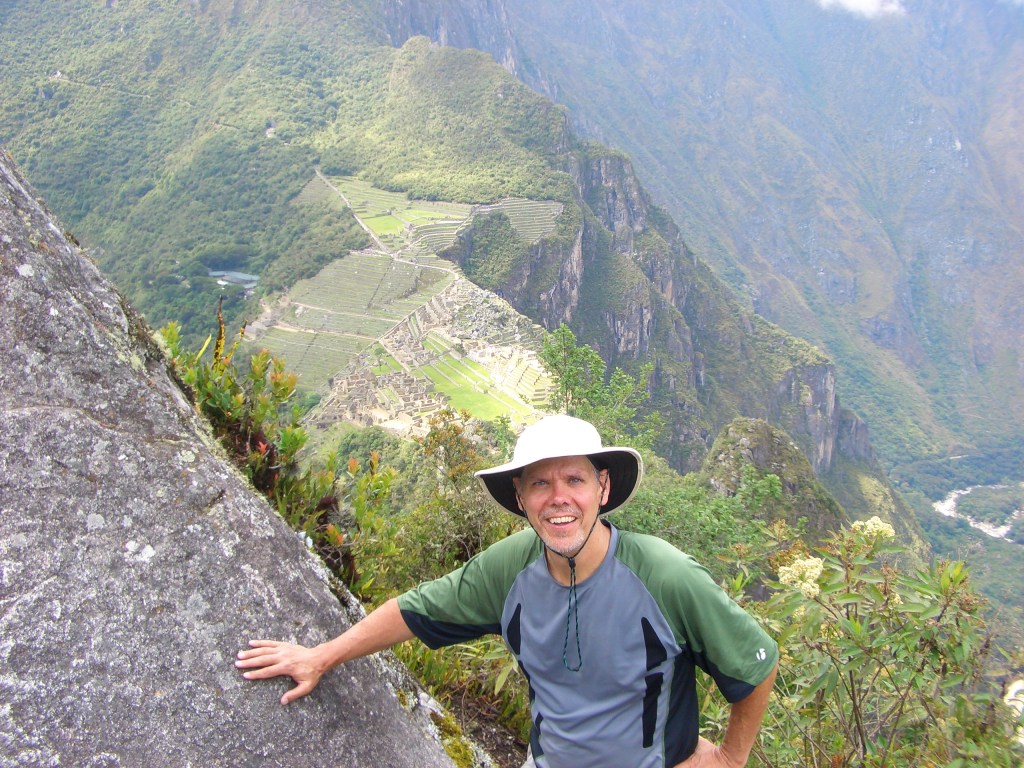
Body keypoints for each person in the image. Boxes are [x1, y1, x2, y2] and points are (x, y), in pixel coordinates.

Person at [236, 414, 778, 767]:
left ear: (603, 488)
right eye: (540, 483)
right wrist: (320, 657)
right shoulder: (509, 571)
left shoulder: (664, 576)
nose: (558, 498)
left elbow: (755, 662)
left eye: (575, 480)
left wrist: (730, 759)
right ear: (520, 498)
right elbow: (416, 610)